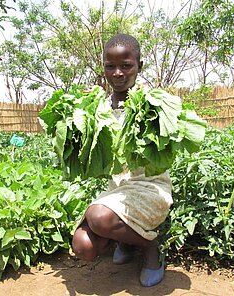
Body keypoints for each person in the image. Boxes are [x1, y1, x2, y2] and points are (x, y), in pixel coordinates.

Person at [71, 33, 173, 287]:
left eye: (126, 66)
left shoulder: (153, 104)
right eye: (110, 66)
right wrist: (80, 111)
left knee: (99, 217)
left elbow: (169, 145)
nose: (117, 73)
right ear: (103, 67)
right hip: (117, 192)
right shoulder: (99, 108)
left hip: (150, 189)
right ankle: (127, 241)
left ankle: (151, 247)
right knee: (83, 246)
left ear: (139, 66)